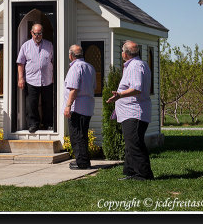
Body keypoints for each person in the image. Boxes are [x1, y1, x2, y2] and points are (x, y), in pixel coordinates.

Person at [106, 40, 154, 180]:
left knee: (135, 144)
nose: (121, 52)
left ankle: (144, 174)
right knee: (131, 144)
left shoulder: (135, 66)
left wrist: (120, 95)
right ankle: (131, 172)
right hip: (130, 112)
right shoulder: (138, 64)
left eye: (122, 50)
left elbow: (136, 88)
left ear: (125, 53)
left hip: (134, 112)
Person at [62, 44, 96, 170]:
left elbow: (73, 89)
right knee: (83, 134)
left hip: (77, 107)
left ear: (71, 56)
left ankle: (81, 162)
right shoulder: (90, 67)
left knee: (77, 135)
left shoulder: (75, 68)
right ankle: (84, 160)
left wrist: (68, 106)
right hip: (88, 106)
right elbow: (94, 86)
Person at [17, 23, 54, 133]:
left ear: (42, 33)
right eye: (35, 34)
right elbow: (20, 63)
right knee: (31, 104)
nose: (37, 36)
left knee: (47, 103)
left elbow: (54, 61)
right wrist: (20, 78)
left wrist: (54, 76)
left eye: (40, 33)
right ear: (31, 33)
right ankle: (33, 124)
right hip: (31, 80)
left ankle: (48, 124)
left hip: (47, 79)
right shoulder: (26, 46)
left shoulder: (49, 45)